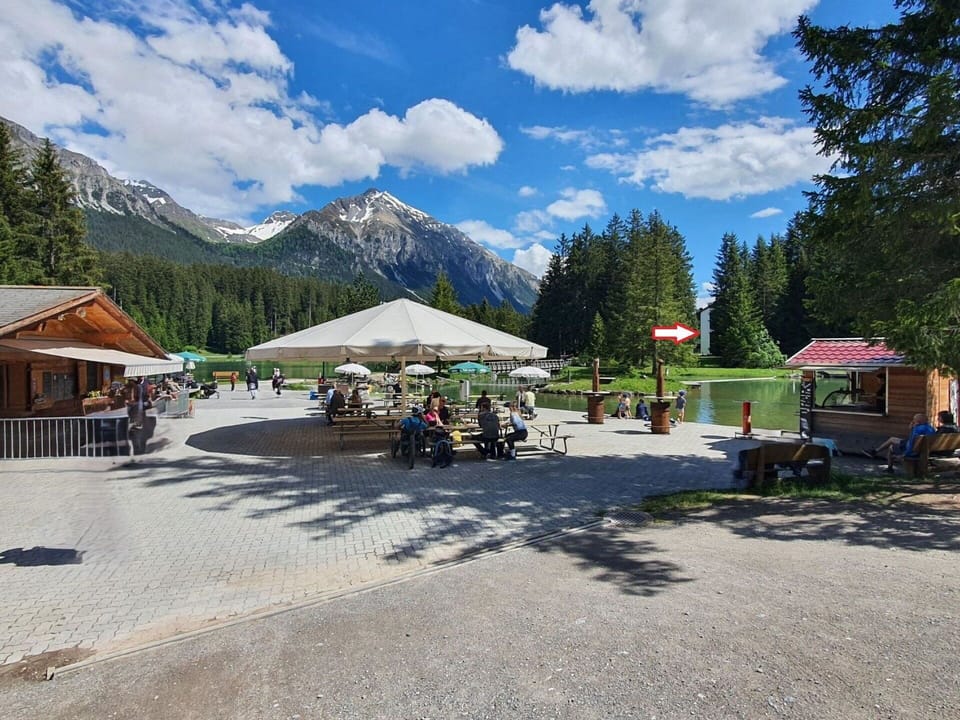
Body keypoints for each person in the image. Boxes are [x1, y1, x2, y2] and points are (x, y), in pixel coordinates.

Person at [864, 413, 936, 473]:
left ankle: (890, 468)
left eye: (913, 420)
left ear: (917, 422)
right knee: (892, 439)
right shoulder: (931, 428)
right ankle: (875, 451)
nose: (912, 421)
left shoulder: (917, 429)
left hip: (913, 449)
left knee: (891, 447)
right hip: (924, 449)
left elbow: (912, 444)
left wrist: (904, 455)